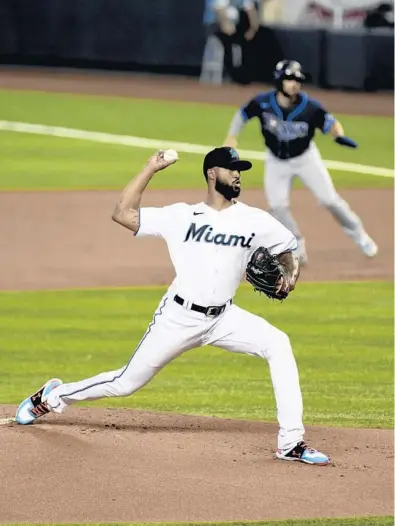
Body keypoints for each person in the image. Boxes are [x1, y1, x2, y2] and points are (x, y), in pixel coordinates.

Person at [15, 146, 329, 465]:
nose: (237, 175)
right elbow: (123, 214)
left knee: (278, 344)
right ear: (211, 173)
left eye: (240, 170)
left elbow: (288, 248)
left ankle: (291, 442)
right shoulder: (181, 215)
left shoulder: (254, 220)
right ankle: (52, 397)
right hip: (177, 318)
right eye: (230, 168)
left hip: (224, 318)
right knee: (124, 383)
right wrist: (149, 168)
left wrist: (290, 275)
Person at [223, 59, 378, 265]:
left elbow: (330, 122)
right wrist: (232, 136)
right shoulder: (263, 102)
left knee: (329, 200)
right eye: (289, 79)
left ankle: (360, 236)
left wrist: (338, 135)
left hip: (305, 158)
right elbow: (242, 114)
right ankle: (296, 246)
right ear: (279, 81)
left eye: (297, 80)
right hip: (276, 160)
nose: (294, 84)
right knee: (277, 206)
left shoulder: (309, 107)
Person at [200, 0, 261, 84]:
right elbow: (220, 13)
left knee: (245, 41)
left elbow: (252, 12)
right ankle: (228, 71)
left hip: (233, 28)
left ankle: (240, 73)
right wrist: (226, 26)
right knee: (229, 42)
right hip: (216, 26)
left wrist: (252, 30)